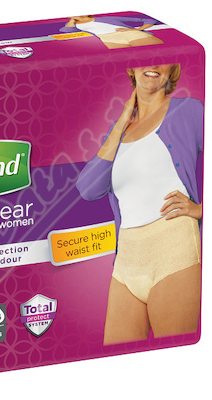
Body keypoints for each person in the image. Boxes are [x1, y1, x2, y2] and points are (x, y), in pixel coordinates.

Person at [76, 64, 203, 345]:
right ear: (132, 68)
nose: (153, 65)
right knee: (117, 362)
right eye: (146, 59)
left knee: (174, 359)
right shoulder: (119, 130)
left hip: (173, 249)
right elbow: (87, 189)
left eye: (162, 60)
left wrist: (201, 208)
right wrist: (123, 120)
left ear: (172, 70)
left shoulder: (189, 111)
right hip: (127, 261)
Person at [61, 15, 163, 49]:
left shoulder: (106, 18)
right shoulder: (72, 24)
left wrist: (137, 29)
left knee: (155, 52)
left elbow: (149, 20)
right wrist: (72, 20)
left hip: (129, 34)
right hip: (106, 40)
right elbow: (67, 32)